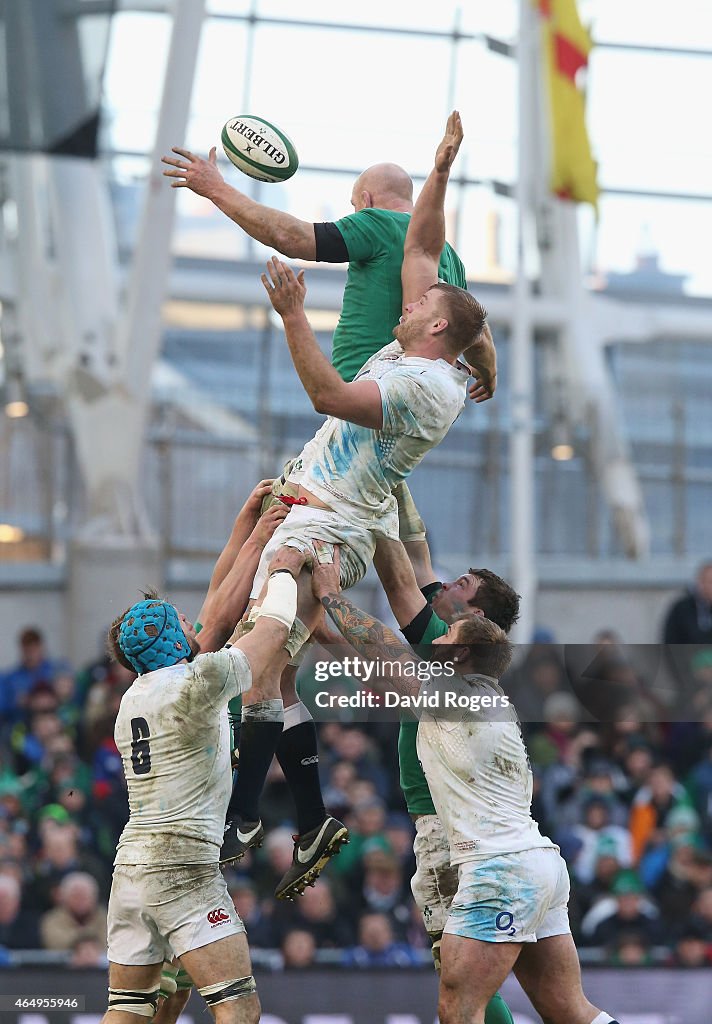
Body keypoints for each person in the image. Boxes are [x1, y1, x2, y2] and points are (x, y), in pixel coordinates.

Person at [164, 112, 497, 897]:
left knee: (265, 624)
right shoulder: (434, 309)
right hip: (337, 487)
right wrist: (442, 170)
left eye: (416, 305)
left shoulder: (419, 373)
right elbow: (434, 266)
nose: (399, 306)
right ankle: (295, 813)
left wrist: (224, 201)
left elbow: (327, 384)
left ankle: (220, 769)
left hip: (342, 497)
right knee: (293, 645)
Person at [312, 556, 622, 1024]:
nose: (436, 637)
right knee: (569, 1010)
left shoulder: (454, 694)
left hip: (497, 869)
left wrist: (330, 594)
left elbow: (383, 648)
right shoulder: (480, 697)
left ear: (460, 655)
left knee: (458, 1008)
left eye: (447, 636)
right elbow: (380, 673)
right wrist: (321, 630)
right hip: (537, 864)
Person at [99, 538, 309, 1024]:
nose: (195, 626)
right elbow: (273, 631)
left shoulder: (131, 700)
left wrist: (251, 535)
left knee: (128, 1010)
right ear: (173, 641)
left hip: (131, 869)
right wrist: (282, 570)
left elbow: (210, 625)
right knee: (240, 1008)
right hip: (184, 865)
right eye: (183, 623)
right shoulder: (195, 684)